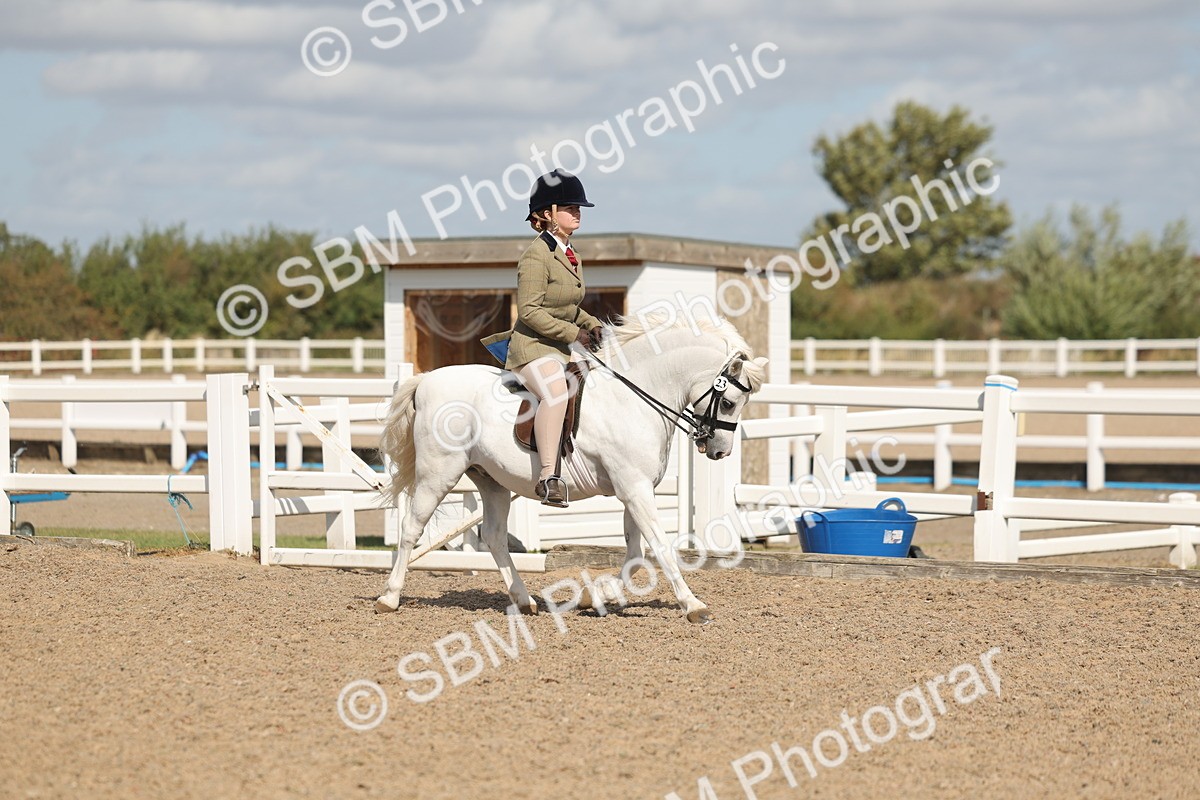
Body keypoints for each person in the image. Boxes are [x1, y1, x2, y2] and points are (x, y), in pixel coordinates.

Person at [484, 170, 603, 508]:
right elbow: (531, 312)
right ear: (547, 213)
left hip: (560, 348)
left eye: (579, 207)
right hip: (532, 349)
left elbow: (570, 307)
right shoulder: (535, 256)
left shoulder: (571, 254)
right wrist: (572, 333)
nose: (577, 212)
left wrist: (592, 325)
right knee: (555, 391)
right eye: (570, 207)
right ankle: (548, 477)